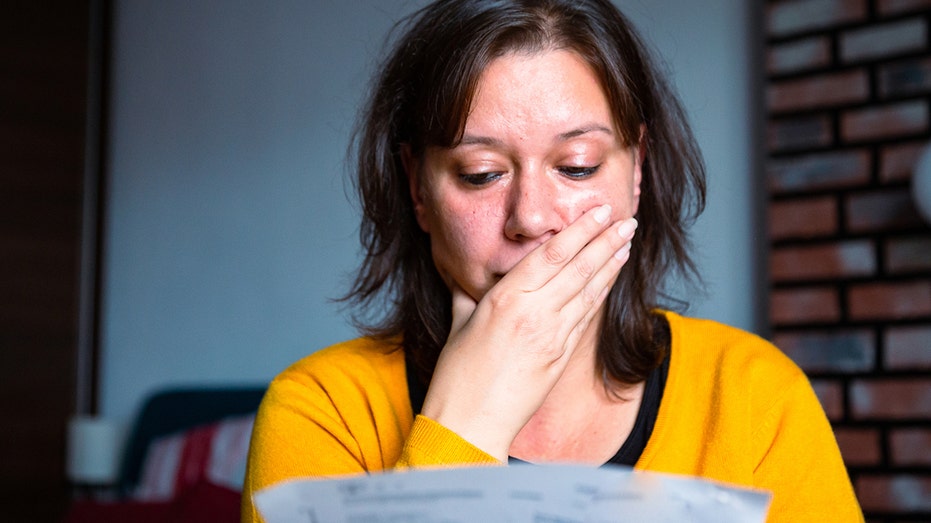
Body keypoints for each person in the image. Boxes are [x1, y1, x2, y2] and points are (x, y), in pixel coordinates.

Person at [243, 1, 863, 521]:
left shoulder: (754, 397)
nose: (532, 218)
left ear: (638, 168)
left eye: (577, 166)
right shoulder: (320, 411)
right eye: (480, 174)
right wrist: (466, 420)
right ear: (417, 187)